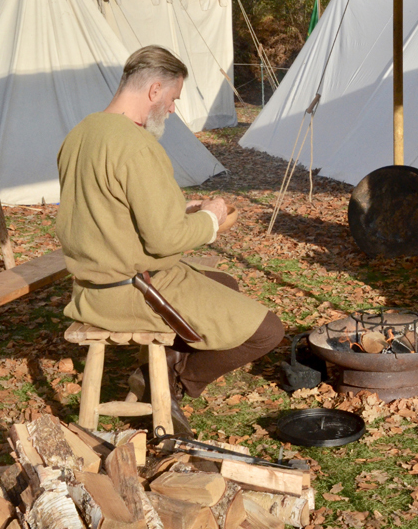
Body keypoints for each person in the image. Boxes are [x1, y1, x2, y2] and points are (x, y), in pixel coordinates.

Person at [56, 45, 285, 436]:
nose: (173, 109)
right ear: (154, 90)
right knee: (269, 331)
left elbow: (110, 208)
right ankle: (169, 382)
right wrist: (211, 218)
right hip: (134, 289)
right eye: (173, 98)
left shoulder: (81, 133)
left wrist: (182, 207)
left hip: (91, 288)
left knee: (225, 283)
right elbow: (166, 239)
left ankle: (163, 369)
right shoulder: (137, 144)